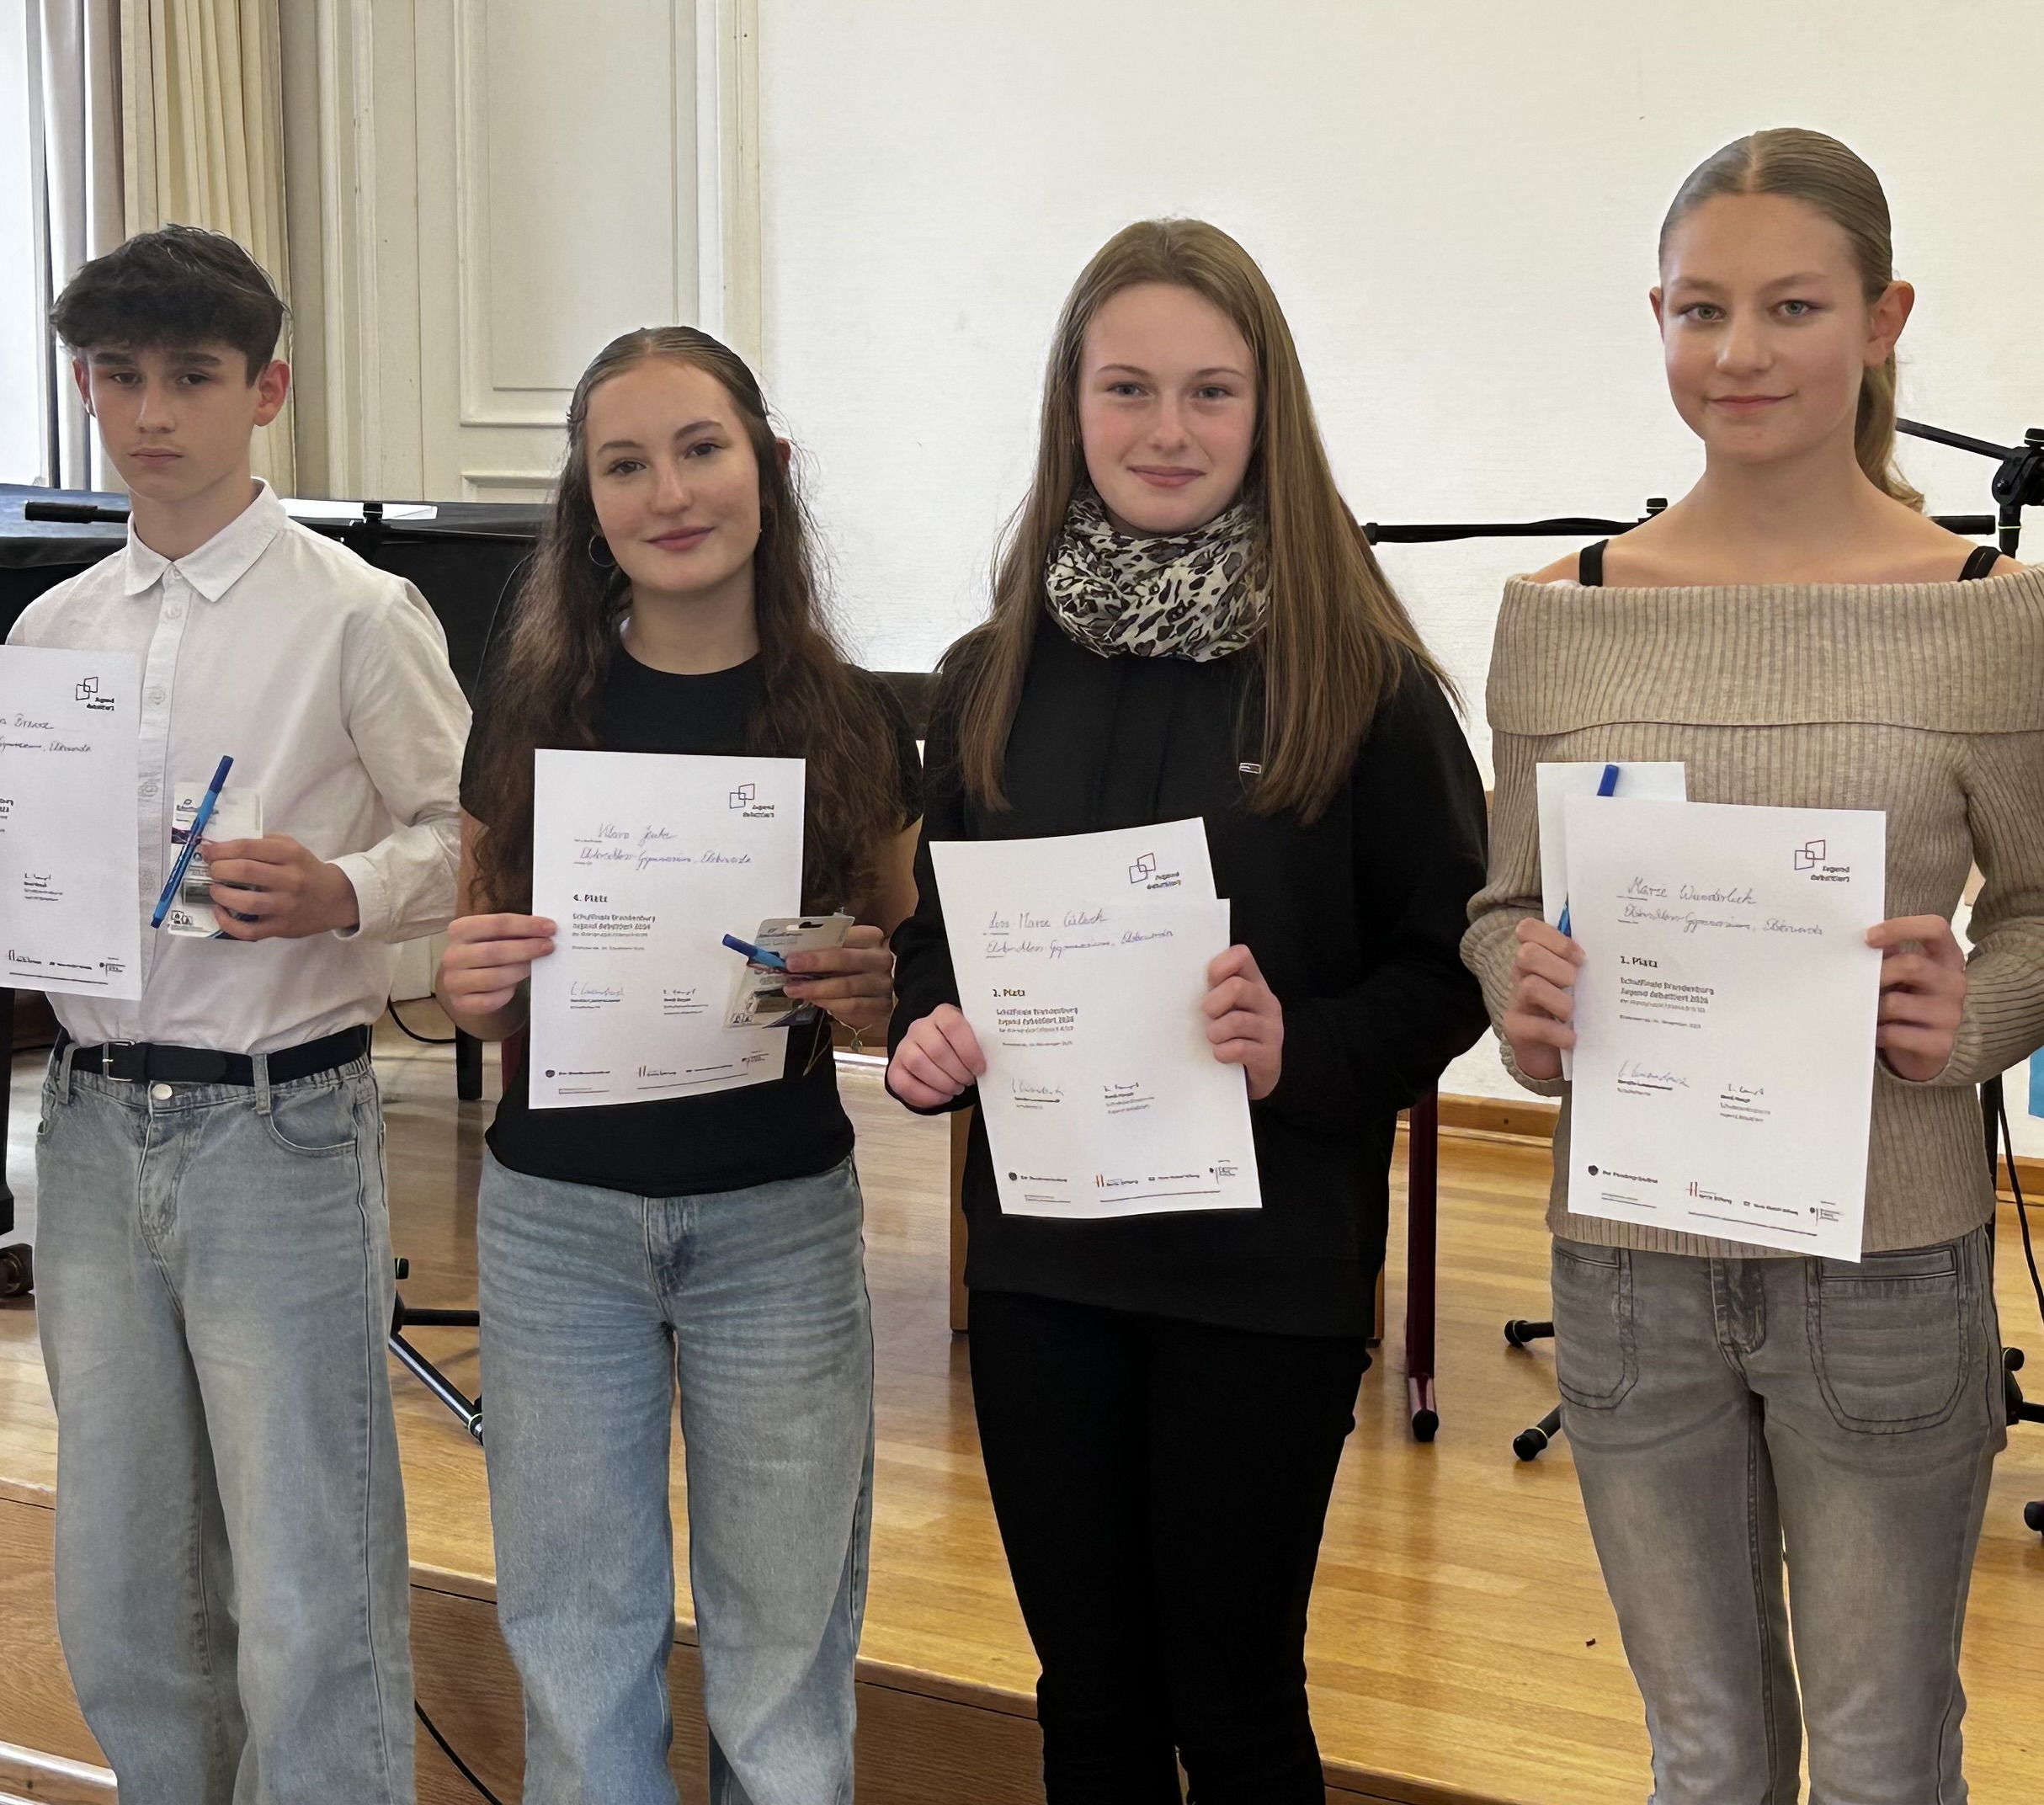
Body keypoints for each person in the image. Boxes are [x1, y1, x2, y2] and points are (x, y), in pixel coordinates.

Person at [1465, 128, 2044, 1802]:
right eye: (1698, 309)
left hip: (1886, 1267)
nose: (1738, 352)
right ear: (1653, 317)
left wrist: (1976, 1008)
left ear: (1881, 319)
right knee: (1703, 1756)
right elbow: (1503, 904)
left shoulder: (1985, 611)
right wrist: (1521, 996)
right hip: (1627, 1272)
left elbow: (2040, 909)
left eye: (1792, 306)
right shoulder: (1560, 611)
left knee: (1879, 1758)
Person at [886, 220, 1489, 1804]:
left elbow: (1451, 967)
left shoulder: (1364, 683)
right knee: (1086, 1702)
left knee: (1234, 1706)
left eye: (1211, 391)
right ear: (1071, 406)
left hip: (1264, 1280)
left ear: (1266, 408)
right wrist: (927, 1034)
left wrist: (1304, 1049)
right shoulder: (988, 677)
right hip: (1043, 1274)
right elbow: (939, 938)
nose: (1168, 429)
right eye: (1129, 388)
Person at [19, 225, 469, 1802]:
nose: (151, 413)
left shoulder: (357, 613)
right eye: (119, 376)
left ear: (266, 390)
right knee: (124, 1574)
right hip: (86, 1123)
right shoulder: (51, 633)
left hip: (279, 1123)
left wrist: (345, 888)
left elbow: (468, 835)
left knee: (305, 1578)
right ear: (87, 388)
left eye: (192, 377)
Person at [440, 325, 920, 1805]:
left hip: (777, 1226)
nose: (669, 493)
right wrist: (464, 988)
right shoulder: (527, 714)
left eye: (701, 449)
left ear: (767, 468)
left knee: (784, 1669)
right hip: (558, 1231)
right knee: (578, 1651)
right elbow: (477, 968)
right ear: (587, 505)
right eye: (625, 465)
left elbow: (897, 977)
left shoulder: (856, 719)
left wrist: (870, 990)